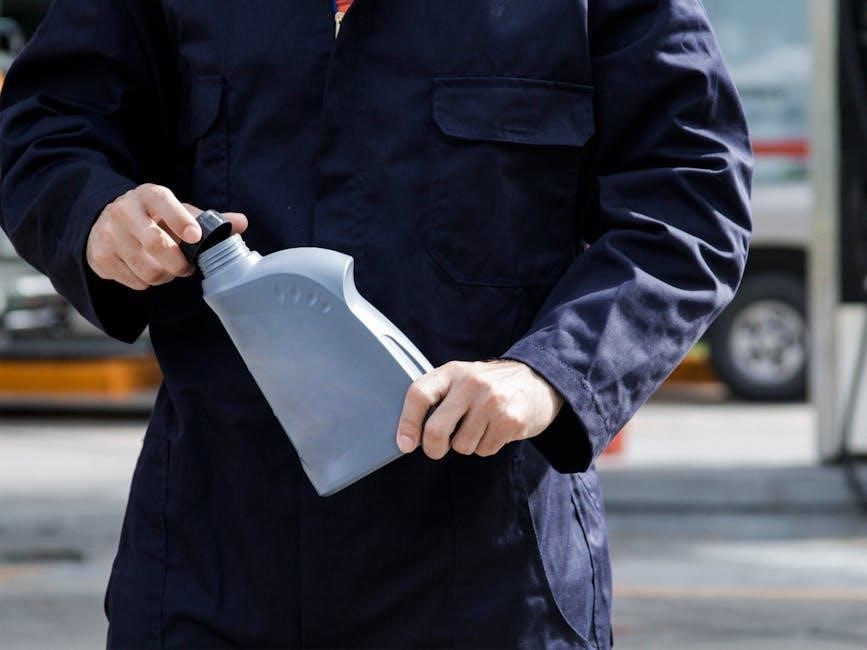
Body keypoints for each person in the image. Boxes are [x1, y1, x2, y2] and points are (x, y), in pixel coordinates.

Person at [0, 0, 751, 647]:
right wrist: (95, 214)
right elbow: (47, 127)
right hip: (212, 562)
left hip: (487, 573)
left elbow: (690, 196)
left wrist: (548, 373)